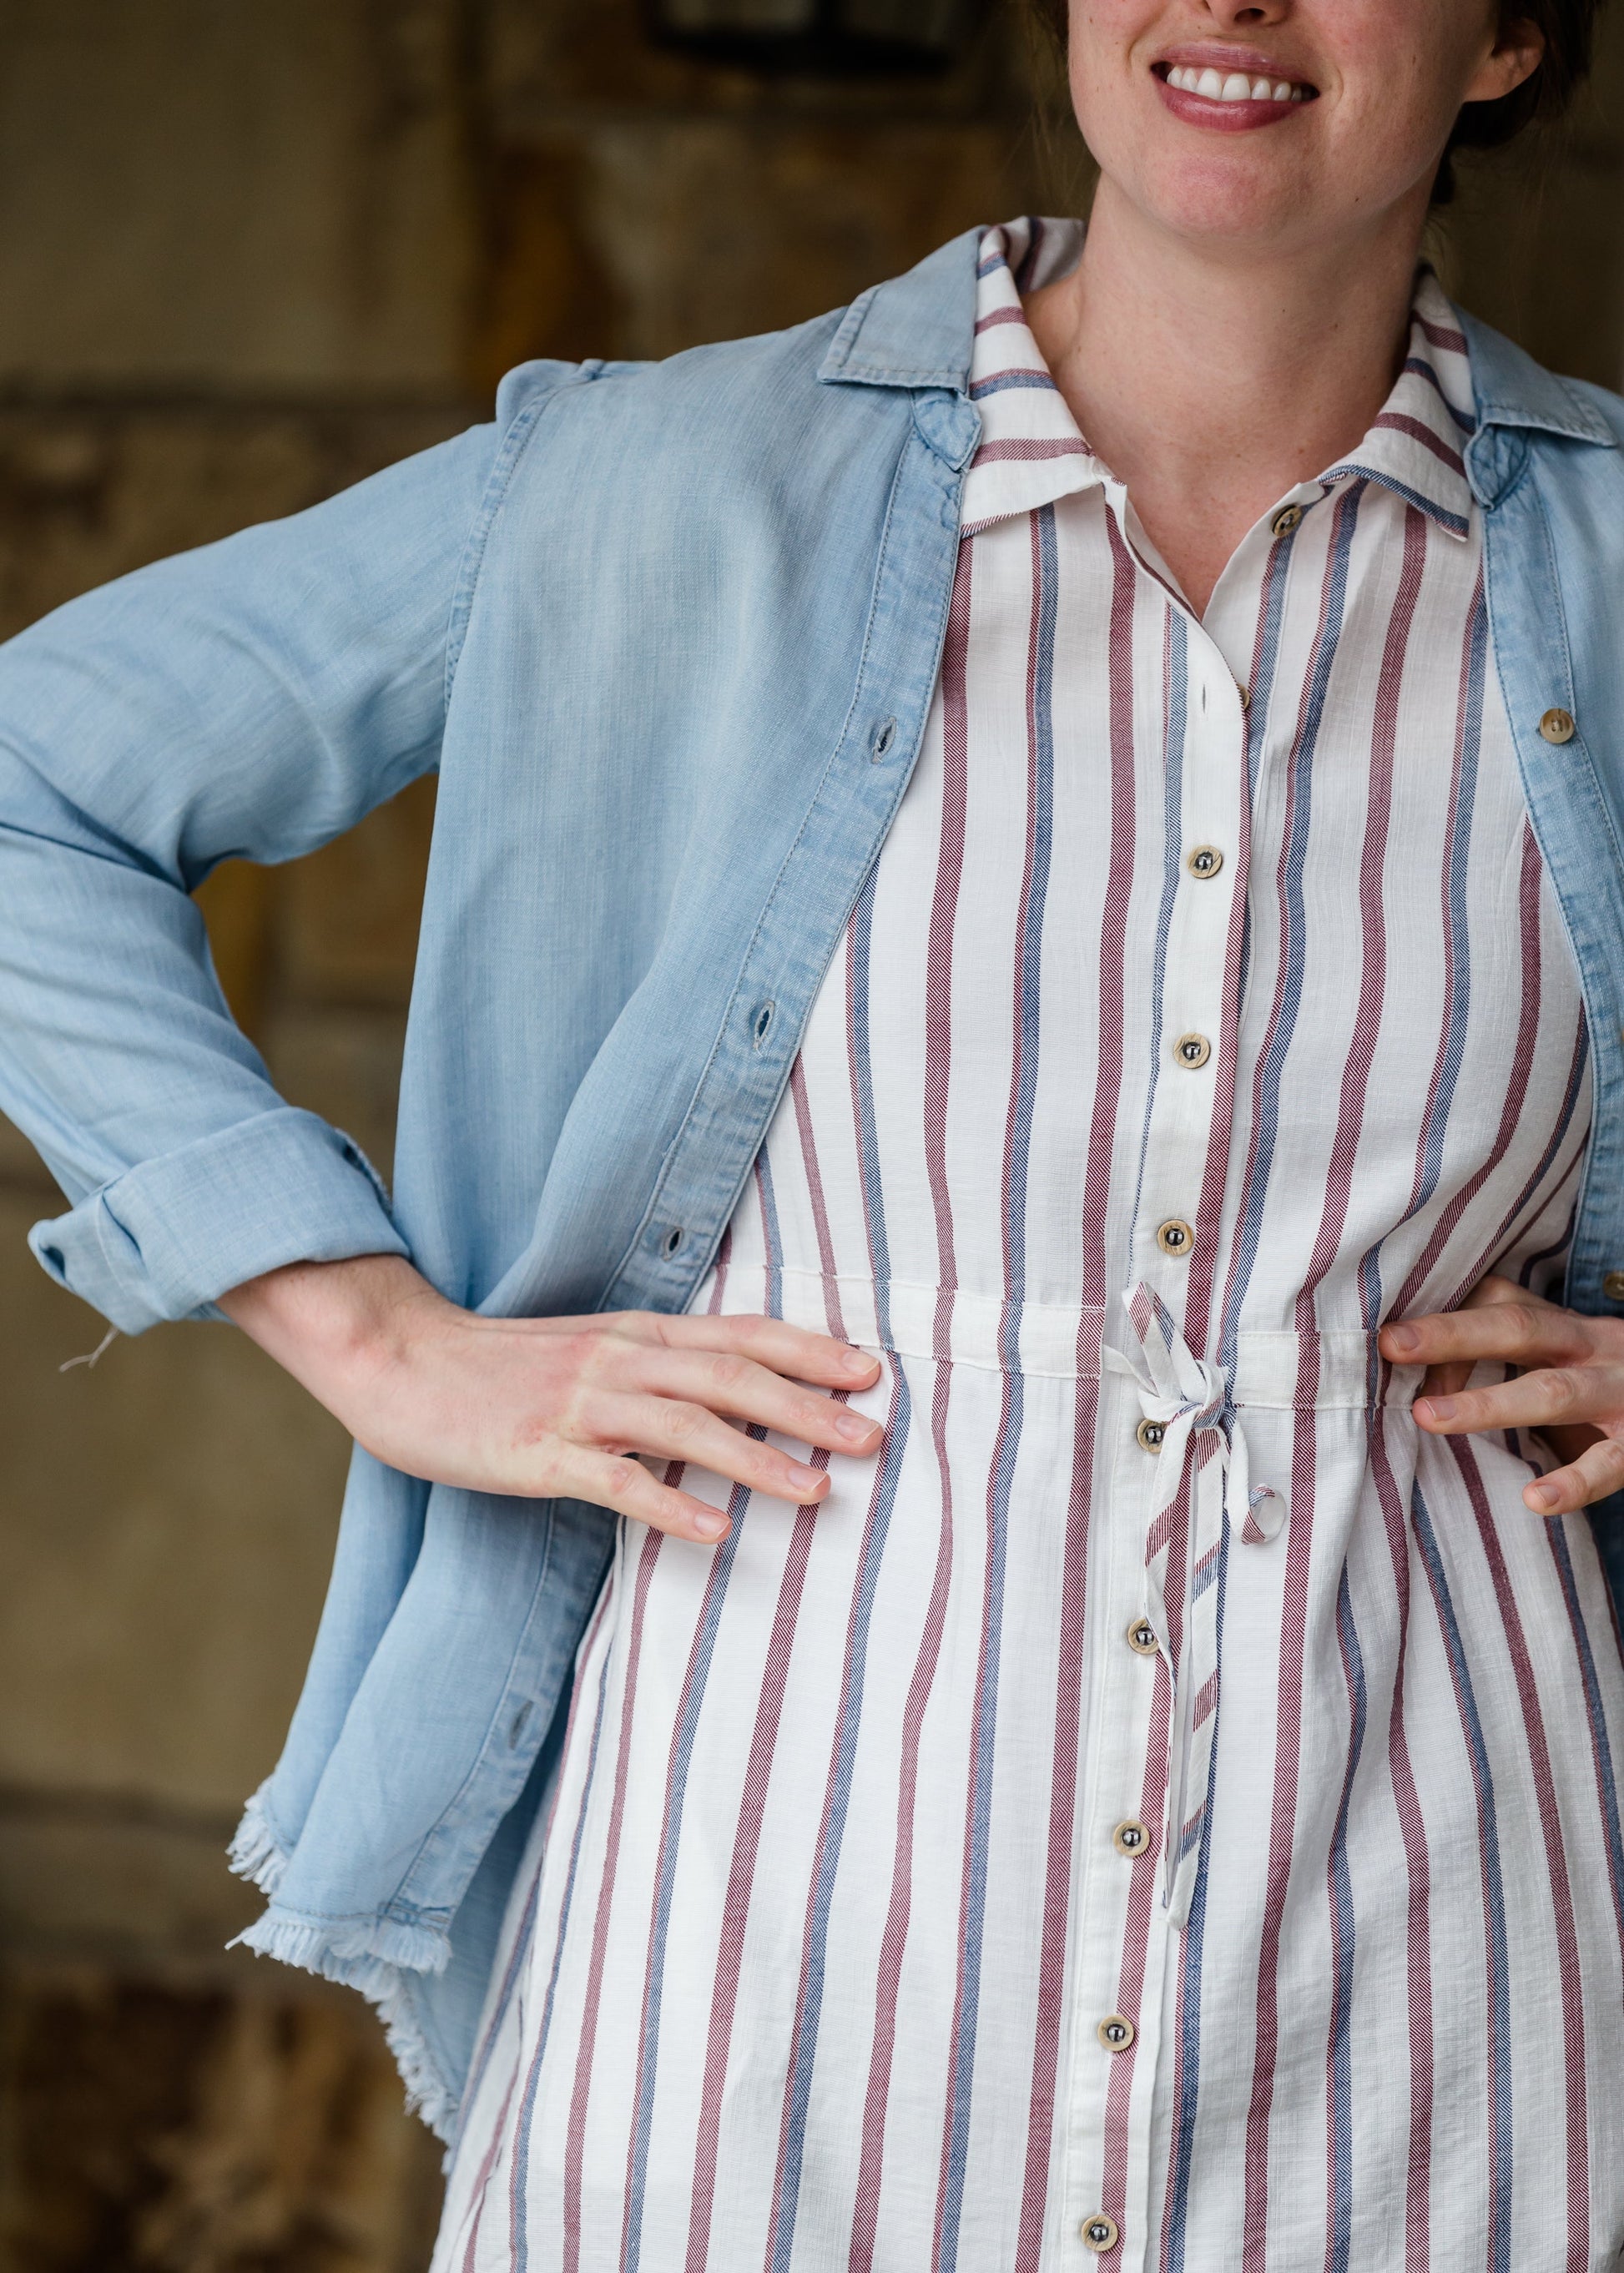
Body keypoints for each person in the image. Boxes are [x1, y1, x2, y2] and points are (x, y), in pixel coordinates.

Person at [3, 0, 1624, 2261]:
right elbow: (33, 787)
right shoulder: (657, 485)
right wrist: (380, 1334)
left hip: (1417, 1995)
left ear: (1501, 39)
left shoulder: (1606, 571)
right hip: (760, 1967)